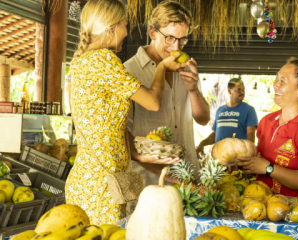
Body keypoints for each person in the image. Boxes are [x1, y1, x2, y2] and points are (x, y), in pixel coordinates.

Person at [65, 0, 186, 225]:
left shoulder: (82, 62)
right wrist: (161, 67)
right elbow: (152, 102)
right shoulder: (104, 61)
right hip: (103, 187)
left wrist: (139, 154)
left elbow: (105, 128)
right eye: (125, 26)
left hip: (92, 180)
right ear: (111, 28)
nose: (126, 32)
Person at [124, 1, 210, 186]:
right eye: (170, 38)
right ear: (152, 33)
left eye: (182, 39)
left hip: (188, 179)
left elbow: (203, 119)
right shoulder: (128, 72)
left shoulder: (186, 67)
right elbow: (124, 135)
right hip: (148, 184)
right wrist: (169, 176)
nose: (176, 47)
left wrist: (193, 90)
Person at [234, 57, 298, 198]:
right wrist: (245, 164)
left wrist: (267, 168)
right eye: (276, 78)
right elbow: (260, 163)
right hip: (261, 205)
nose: (275, 85)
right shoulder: (266, 121)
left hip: (295, 212)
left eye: (282, 81)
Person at [196, 78, 258, 157]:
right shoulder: (220, 110)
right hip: (220, 158)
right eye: (239, 90)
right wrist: (202, 143)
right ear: (229, 90)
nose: (242, 92)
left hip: (239, 158)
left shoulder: (249, 110)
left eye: (243, 90)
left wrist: (248, 155)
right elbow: (215, 134)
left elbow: (251, 134)